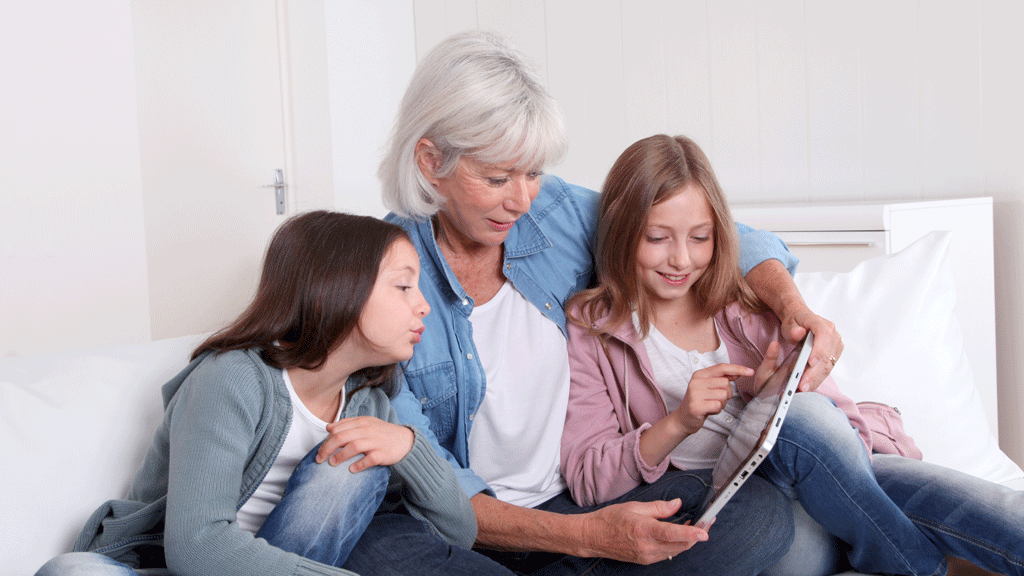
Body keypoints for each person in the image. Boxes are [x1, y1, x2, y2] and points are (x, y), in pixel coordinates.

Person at [364, 30, 843, 575]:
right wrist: (589, 538)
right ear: (431, 162)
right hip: (476, 527)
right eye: (497, 178)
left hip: (575, 499)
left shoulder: (556, 215)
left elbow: (723, 237)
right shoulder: (378, 279)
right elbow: (436, 488)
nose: (521, 200)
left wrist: (793, 307)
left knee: (761, 517)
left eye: (532, 172)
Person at [562, 134, 1024, 576]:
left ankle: (900, 555)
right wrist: (679, 422)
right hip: (755, 514)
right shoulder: (594, 328)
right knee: (786, 524)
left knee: (994, 509)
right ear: (622, 233)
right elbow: (589, 480)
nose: (681, 259)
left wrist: (769, 396)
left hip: (837, 482)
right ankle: (926, 566)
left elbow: (842, 432)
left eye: (700, 238)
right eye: (657, 238)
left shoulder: (745, 302)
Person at [35, 211, 509, 576]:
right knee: (72, 571)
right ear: (336, 289)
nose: (423, 305)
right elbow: (195, 546)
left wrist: (409, 446)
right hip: (174, 567)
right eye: (403, 286)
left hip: (286, 559)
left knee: (347, 472)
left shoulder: (369, 403)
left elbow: (458, 531)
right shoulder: (232, 379)